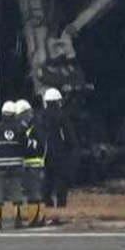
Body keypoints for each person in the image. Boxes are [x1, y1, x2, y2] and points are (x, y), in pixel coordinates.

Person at [0, 101, 26, 230]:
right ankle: (18, 221)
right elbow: (24, 145)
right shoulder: (20, 128)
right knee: (17, 192)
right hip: (16, 165)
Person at [40, 88, 76, 219]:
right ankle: (60, 214)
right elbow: (69, 137)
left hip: (43, 156)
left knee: (46, 185)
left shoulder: (40, 116)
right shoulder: (61, 116)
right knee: (60, 186)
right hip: (59, 155)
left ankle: (47, 213)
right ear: (57, 101)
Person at [16, 99, 46, 227]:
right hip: (32, 165)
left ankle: (36, 220)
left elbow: (35, 147)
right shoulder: (32, 127)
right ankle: (39, 218)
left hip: (33, 165)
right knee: (34, 193)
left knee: (34, 193)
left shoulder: (34, 128)